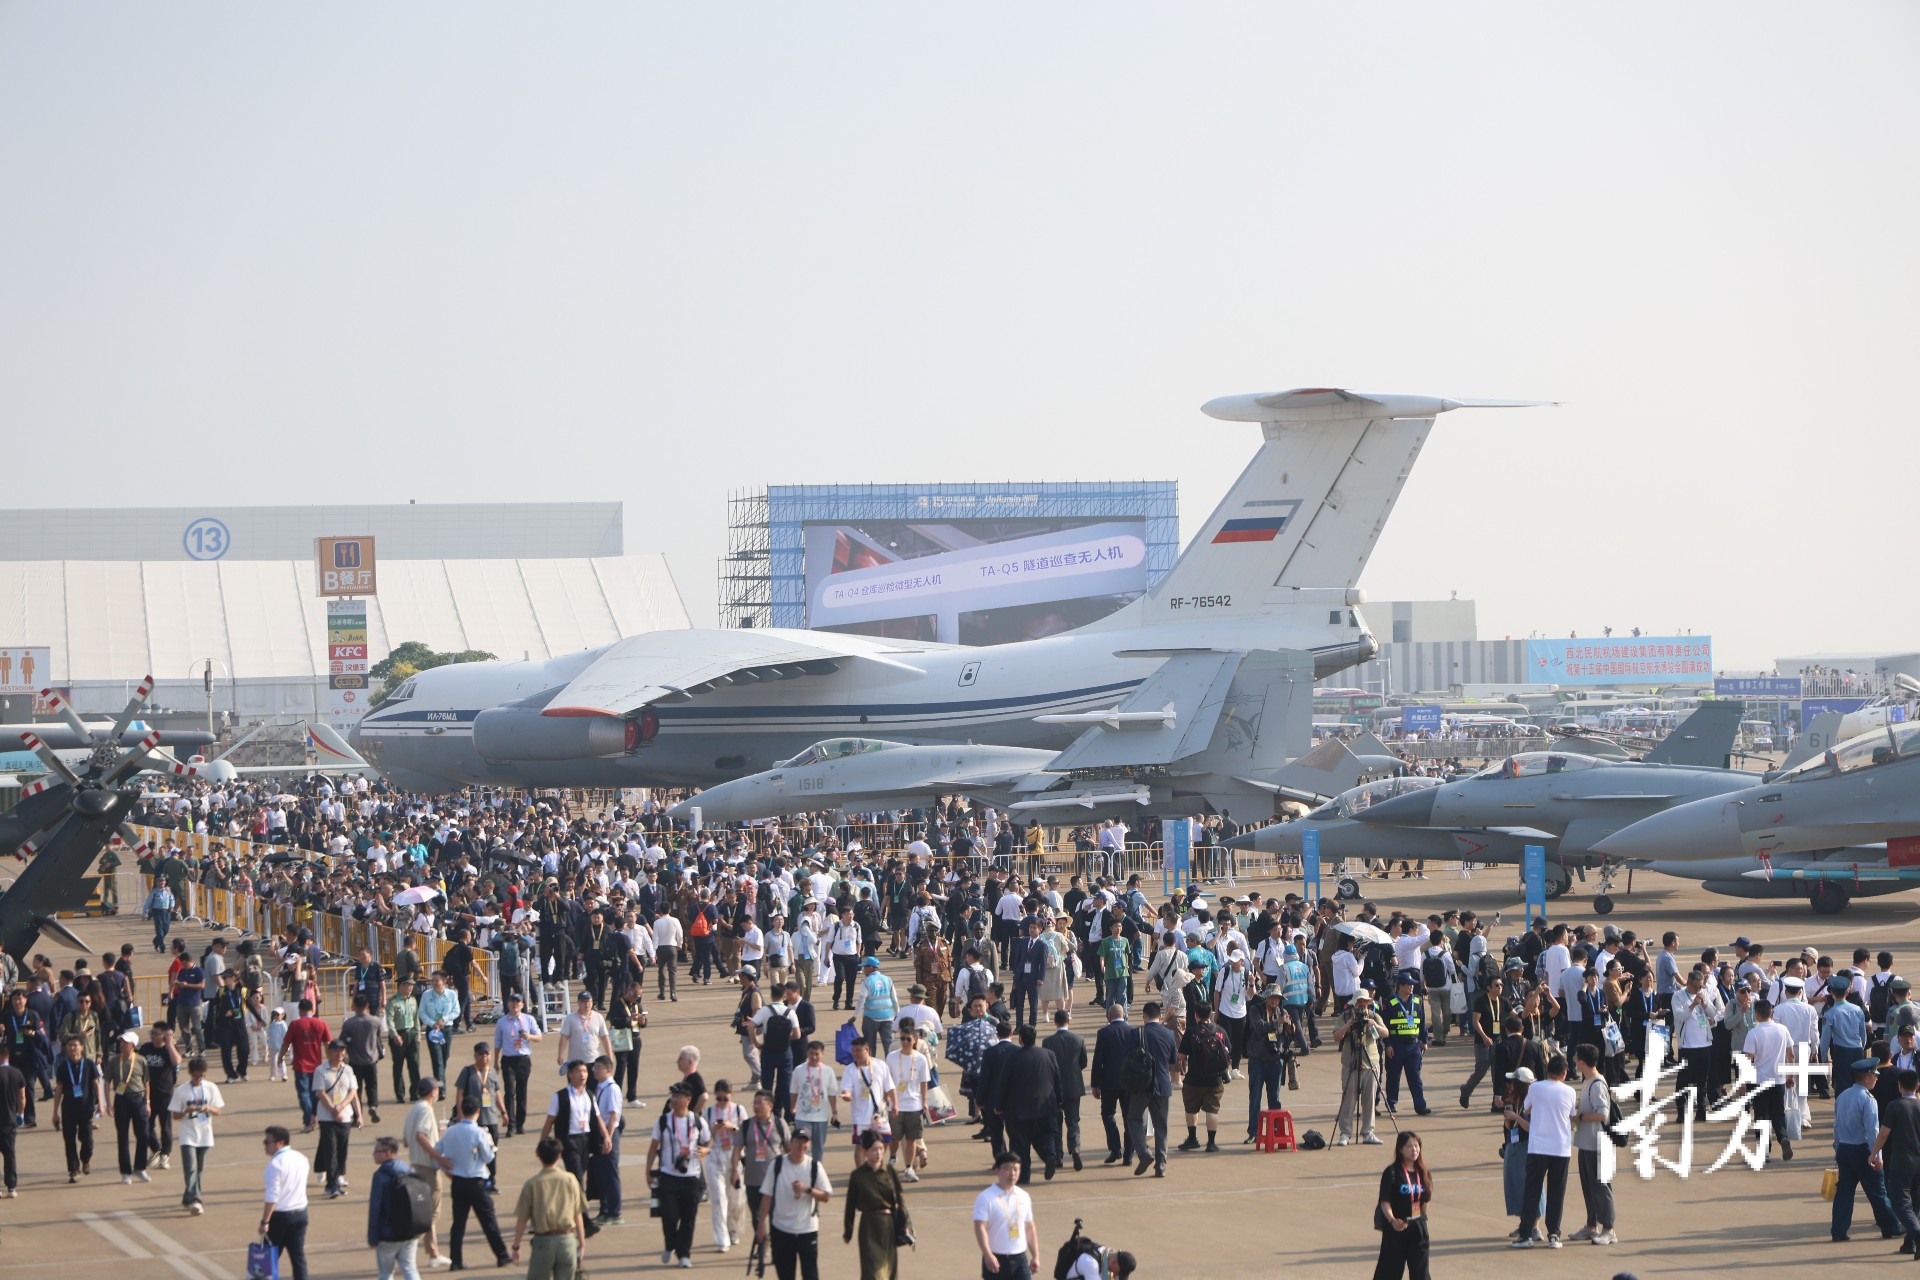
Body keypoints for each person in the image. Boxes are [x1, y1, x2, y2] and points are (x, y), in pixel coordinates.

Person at [436, 1095, 510, 1268]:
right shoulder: (479, 1133)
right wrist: (489, 1141)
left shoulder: (451, 1131)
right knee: (488, 1220)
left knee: (458, 1224)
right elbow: (488, 1156)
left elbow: (437, 1151)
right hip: (476, 1182)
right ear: (478, 1111)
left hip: (458, 1182)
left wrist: (447, 1168)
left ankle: (456, 1261)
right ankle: (501, 1254)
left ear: (462, 1109)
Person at [1833, 1056, 1902, 1242]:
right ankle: (1891, 1227)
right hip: (1862, 1151)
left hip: (1845, 1150)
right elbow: (1873, 1131)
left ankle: (1838, 1231)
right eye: (1875, 1075)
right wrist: (1876, 1155)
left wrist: (1837, 1148)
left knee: (1844, 1193)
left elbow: (1836, 1127)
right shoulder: (1868, 1100)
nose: (1877, 1078)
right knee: (1877, 1192)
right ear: (1866, 1078)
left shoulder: (1842, 1096)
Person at [646, 1081, 712, 1268]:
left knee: (688, 1219)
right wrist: (648, 1171)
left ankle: (684, 1255)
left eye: (678, 1097)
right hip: (668, 1176)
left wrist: (706, 1151)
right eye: (673, 1097)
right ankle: (670, 1245)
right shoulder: (663, 1121)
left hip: (691, 1177)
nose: (674, 1100)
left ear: (688, 1099)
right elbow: (653, 1148)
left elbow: (709, 1141)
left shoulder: (698, 1121)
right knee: (669, 1216)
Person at [1513, 1053, 1576, 1249]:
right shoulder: (1570, 1092)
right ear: (1564, 1074)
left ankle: (1525, 1234)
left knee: (1532, 1190)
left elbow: (1526, 1109)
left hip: (1538, 1146)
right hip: (1561, 1148)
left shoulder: (1535, 1087)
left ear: (1547, 1070)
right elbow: (1572, 1114)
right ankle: (1554, 1234)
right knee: (1557, 1192)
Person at [756, 1126, 832, 1280]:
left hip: (807, 1229)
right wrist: (761, 1225)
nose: (801, 1145)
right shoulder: (777, 1165)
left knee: (810, 1275)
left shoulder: (814, 1167)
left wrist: (807, 1190)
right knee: (785, 1275)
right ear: (790, 1143)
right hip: (781, 1229)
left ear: (809, 1145)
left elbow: (825, 1196)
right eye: (797, 1141)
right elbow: (767, 1196)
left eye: (805, 1142)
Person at [509, 1136, 589, 1280]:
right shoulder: (570, 1180)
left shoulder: (533, 1183)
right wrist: (581, 1244)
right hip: (567, 1240)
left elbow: (522, 1219)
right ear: (559, 1156)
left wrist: (516, 1246)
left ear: (538, 1156)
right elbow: (578, 1214)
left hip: (543, 1242)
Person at [1569, 1043, 1618, 1245]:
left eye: (1576, 1058)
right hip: (1586, 1143)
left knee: (1600, 1186)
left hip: (1598, 1144)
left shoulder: (1597, 1084)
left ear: (1582, 1061)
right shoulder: (1588, 1080)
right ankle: (1591, 1226)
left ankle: (1609, 1229)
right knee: (1589, 1187)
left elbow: (1602, 1113)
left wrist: (1580, 1116)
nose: (1574, 1061)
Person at [1123, 1002, 1178, 1178]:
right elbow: (1173, 1061)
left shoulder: (1136, 1033)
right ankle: (1161, 1164)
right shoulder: (1169, 1034)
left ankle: (1143, 1152)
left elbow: (1129, 1058)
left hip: (1141, 1085)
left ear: (1144, 1016)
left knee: (1133, 1118)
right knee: (1161, 1126)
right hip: (1162, 1084)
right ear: (1160, 1016)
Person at [403, 1078, 452, 1269]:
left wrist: (437, 1135)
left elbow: (408, 1140)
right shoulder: (425, 1109)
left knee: (426, 1211)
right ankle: (407, 1246)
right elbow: (419, 1136)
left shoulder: (414, 1109)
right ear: (432, 1092)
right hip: (427, 1168)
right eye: (437, 1089)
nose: (438, 1092)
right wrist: (438, 1157)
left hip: (417, 1165)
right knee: (431, 1213)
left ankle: (433, 1253)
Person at [842, 1129, 905, 1280]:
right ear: (865, 1151)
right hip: (868, 1226)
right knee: (872, 1273)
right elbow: (850, 1205)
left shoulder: (890, 1172)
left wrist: (904, 1225)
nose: (878, 1153)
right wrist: (848, 1230)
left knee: (889, 1270)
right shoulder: (857, 1176)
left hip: (888, 1226)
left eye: (881, 1149)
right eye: (874, 1149)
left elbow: (900, 1201)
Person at [1873, 1067, 1920, 1255]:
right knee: (1916, 1203)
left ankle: (1916, 1233)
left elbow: (1883, 1134)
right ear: (1917, 1085)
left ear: (1900, 1086)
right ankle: (1910, 1243)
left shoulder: (1895, 1106)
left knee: (1900, 1202)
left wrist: (1874, 1153)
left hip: (1902, 1162)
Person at [1373, 1131, 1432, 1280]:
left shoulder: (1424, 1172)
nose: (1414, 1150)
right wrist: (1393, 1220)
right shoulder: (1392, 1172)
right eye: (1409, 1146)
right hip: (1396, 1229)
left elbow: (1426, 1201)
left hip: (1418, 1230)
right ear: (1400, 1149)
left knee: (1421, 1274)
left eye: (1416, 1146)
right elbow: (1384, 1201)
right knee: (1389, 1272)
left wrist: (1421, 1220)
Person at [169, 1054, 223, 1214]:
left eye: (202, 1075)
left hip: (205, 1134)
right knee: (190, 1168)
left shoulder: (211, 1088)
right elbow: (174, 1115)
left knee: (199, 1169)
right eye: (196, 1075)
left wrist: (208, 1108)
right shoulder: (182, 1090)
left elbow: (218, 1110)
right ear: (190, 1073)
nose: (199, 1078)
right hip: (188, 1135)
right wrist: (186, 1110)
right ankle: (196, 1199)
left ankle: (187, 1197)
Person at [541, 1059, 609, 1185]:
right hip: (569, 1141)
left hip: (586, 1140)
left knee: (581, 1172)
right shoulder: (560, 1096)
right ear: (569, 1074)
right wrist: (543, 1144)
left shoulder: (589, 1095)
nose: (582, 1075)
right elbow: (549, 1121)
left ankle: (573, 1200)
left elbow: (598, 1117)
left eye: (584, 1071)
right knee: (577, 1176)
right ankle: (580, 1203)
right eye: (578, 1071)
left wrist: (606, 1136)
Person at [973, 1149, 1039, 1279]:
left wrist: (1035, 1255)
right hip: (996, 1258)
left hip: (1020, 1258)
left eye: (1016, 1169)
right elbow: (980, 1228)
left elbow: (1029, 1227)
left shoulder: (1024, 1196)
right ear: (997, 1171)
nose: (1012, 1173)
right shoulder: (986, 1197)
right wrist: (987, 1255)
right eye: (1008, 1169)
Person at [1335, 990, 1388, 1146]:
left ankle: (1368, 1132)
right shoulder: (1345, 1016)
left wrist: (1375, 1025)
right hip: (1350, 1062)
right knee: (1348, 1099)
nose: (1362, 1005)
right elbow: (1336, 1036)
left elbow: (1386, 1033)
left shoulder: (1373, 1015)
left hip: (1370, 1062)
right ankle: (1345, 1133)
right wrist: (1349, 1025)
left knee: (1369, 1099)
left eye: (1365, 1002)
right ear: (1354, 1003)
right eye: (1359, 1002)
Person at [313, 1038, 363, 1198]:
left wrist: (358, 1115)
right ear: (329, 1052)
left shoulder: (348, 1070)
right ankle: (331, 1185)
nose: (340, 1054)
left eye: (343, 1051)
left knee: (342, 1150)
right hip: (327, 1117)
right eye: (336, 1050)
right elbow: (321, 1093)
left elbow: (353, 1093)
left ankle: (336, 1178)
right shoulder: (321, 1070)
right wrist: (333, 1110)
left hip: (346, 1116)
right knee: (331, 1150)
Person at [367, 1135, 423, 1280]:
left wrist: (373, 1237)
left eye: (377, 1151)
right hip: (410, 1231)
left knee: (386, 1273)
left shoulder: (380, 1176)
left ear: (388, 1153)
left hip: (388, 1235)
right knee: (410, 1268)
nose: (374, 1154)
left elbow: (375, 1207)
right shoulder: (408, 1170)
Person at [261, 1124, 313, 1280]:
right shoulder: (301, 1158)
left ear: (280, 1143)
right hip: (301, 1213)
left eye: (268, 1141)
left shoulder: (275, 1164)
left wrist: (265, 1221)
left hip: (280, 1216)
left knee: (267, 1258)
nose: (265, 1145)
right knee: (298, 1257)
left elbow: (272, 1197)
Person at [1176, 1003, 1229, 1154]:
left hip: (1194, 1078)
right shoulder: (1220, 1031)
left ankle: (1192, 1138)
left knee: (1191, 1109)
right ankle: (1211, 1143)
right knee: (1212, 1110)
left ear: (1196, 1015)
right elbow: (1228, 1051)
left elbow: (1181, 1055)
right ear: (1211, 1014)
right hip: (1216, 1079)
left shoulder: (1192, 1032)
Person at [52, 1033, 104, 1183]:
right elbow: (59, 1090)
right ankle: (74, 1170)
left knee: (87, 1139)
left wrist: (100, 1104)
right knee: (69, 1140)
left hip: (86, 1108)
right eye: (70, 1045)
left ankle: (85, 1159)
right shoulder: (62, 1066)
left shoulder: (88, 1064)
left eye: (75, 1045)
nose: (72, 1048)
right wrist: (55, 1113)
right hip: (68, 1109)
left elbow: (95, 1084)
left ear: (82, 1047)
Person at [705, 1077, 749, 1251]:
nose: (722, 1102)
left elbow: (746, 1135)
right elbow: (703, 1140)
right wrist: (713, 1130)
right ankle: (721, 1237)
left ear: (731, 1095)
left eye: (725, 1098)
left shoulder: (739, 1110)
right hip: (716, 1156)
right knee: (718, 1198)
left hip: (735, 1155)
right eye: (719, 1098)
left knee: (736, 1199)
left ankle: (733, 1230)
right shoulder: (709, 1112)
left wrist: (733, 1128)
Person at [1090, 1004, 1136, 1167]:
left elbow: (1098, 1061)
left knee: (1108, 1114)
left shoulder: (1103, 1033)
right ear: (1124, 1015)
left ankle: (1115, 1148)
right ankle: (1129, 1155)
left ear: (1109, 1016)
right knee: (1129, 1118)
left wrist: (1095, 1084)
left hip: (1109, 1082)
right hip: (1130, 1083)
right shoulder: (1133, 1032)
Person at [106, 1029, 153, 1183]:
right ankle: (125, 1172)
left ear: (133, 1045)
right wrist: (108, 1104)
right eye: (121, 1042)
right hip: (121, 1100)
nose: (121, 1044)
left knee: (143, 1135)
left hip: (139, 1099)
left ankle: (140, 1168)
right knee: (123, 1137)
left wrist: (147, 1102)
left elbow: (146, 1082)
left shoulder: (141, 1060)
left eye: (125, 1042)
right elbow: (107, 1083)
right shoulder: (114, 1061)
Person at [1043, 1009, 1088, 1172]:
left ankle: (1058, 1156)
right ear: (1068, 1021)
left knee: (1055, 1123)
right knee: (1073, 1121)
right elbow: (1083, 1062)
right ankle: (1075, 1148)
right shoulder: (1078, 1039)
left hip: (1053, 1088)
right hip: (1073, 1086)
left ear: (1055, 1022)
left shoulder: (1048, 1042)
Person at [493, 991, 542, 1136]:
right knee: (509, 1091)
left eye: (517, 1002)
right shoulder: (502, 1022)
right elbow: (497, 1043)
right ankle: (511, 1124)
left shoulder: (528, 1019)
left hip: (523, 1059)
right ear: (508, 1004)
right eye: (512, 1002)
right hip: (508, 1059)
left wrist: (529, 1036)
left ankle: (520, 1123)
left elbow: (539, 1037)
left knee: (522, 1092)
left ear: (522, 1005)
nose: (515, 1004)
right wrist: (495, 1061)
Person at [1381, 973, 1431, 1116]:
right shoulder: (1389, 1002)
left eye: (1412, 984)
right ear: (1400, 986)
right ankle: (1391, 1102)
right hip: (1396, 1045)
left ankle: (1420, 1105)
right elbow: (1385, 1025)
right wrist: (1388, 1044)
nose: (1412, 987)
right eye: (1409, 984)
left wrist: (1424, 1040)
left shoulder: (1418, 1000)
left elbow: (1421, 1022)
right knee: (1393, 1076)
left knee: (1415, 1077)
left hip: (1413, 1046)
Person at [387, 977, 422, 1104]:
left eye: (412, 985)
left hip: (411, 1034)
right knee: (398, 1065)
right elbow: (389, 1021)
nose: (411, 988)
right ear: (401, 985)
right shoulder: (393, 1002)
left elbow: (416, 1018)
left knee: (414, 1064)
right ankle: (400, 1094)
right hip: (399, 1035)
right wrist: (395, 1035)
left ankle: (415, 1093)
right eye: (409, 985)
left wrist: (418, 1034)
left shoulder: (413, 1000)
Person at [0, 1041, 23, 1197]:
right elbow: (22, 1097)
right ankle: (11, 1187)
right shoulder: (17, 1073)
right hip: (9, 1120)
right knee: (10, 1154)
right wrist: (20, 1114)